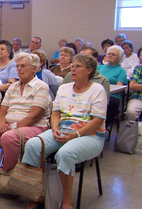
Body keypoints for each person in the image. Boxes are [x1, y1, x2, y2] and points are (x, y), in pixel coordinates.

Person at [22, 54, 107, 209]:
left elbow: (97, 121)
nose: (72, 69)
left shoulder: (97, 90)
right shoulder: (64, 88)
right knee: (33, 144)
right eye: (72, 66)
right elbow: (55, 112)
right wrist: (54, 128)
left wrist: (76, 135)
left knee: (65, 153)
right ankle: (36, 193)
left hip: (90, 135)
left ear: (89, 70)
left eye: (78, 66)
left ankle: (67, 200)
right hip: (62, 130)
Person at [0, 52, 51, 196]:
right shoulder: (13, 87)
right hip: (9, 125)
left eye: (23, 66)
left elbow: (34, 116)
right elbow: (1, 112)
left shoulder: (41, 86)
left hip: (34, 127)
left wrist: (11, 128)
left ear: (34, 68)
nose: (19, 69)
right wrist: (1, 125)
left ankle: (8, 175)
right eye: (17, 66)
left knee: (8, 137)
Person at [98, 45, 128, 128]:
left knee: (111, 102)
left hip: (112, 95)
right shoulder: (99, 67)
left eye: (113, 54)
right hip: (96, 94)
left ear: (119, 58)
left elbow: (118, 88)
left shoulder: (121, 71)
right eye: (109, 53)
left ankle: (101, 127)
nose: (110, 55)